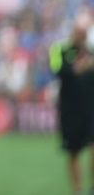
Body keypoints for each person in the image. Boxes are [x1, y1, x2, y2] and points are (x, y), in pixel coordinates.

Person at [49, 16, 94, 195]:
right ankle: (77, 190)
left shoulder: (91, 51)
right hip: (70, 109)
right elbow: (57, 69)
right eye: (78, 32)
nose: (81, 36)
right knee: (73, 151)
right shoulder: (59, 50)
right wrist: (80, 68)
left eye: (83, 33)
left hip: (91, 107)